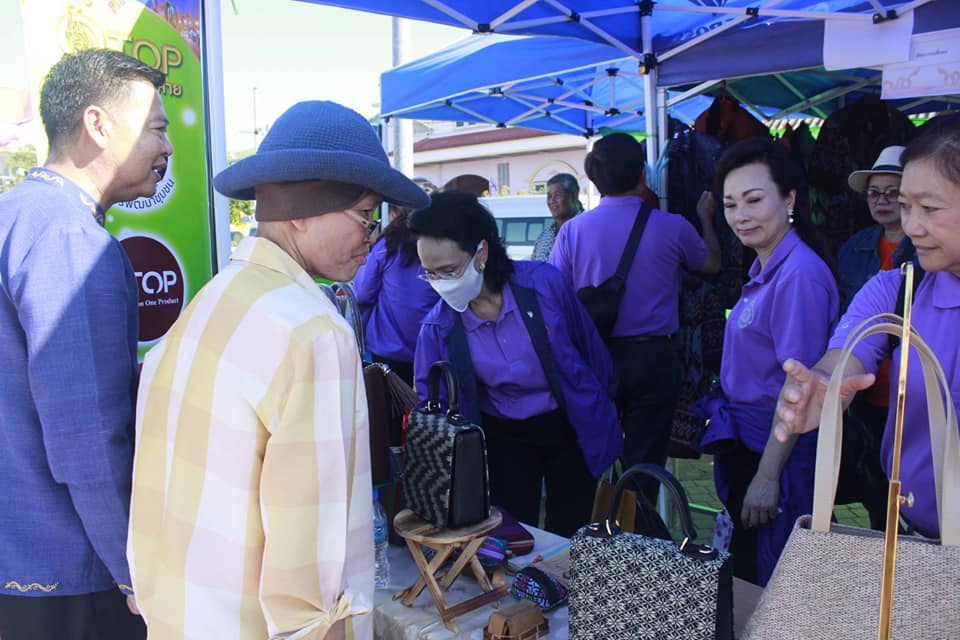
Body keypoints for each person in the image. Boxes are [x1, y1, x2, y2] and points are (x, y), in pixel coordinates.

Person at [127, 101, 429, 639]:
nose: (375, 235)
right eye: (366, 214)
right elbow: (311, 563)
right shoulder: (313, 332)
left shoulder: (207, 305)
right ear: (302, 210)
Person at [0, 48, 170, 640]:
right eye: (156, 128)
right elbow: (87, 438)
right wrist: (135, 571)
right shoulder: (70, 237)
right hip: (65, 566)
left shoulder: (16, 214)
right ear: (99, 126)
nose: (166, 149)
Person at [775, 123, 960, 542]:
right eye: (906, 206)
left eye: (929, 209)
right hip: (913, 543)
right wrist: (823, 385)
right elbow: (842, 359)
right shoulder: (896, 292)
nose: (911, 226)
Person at [411, 191, 621, 537]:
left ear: (482, 251)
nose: (441, 284)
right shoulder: (438, 326)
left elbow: (591, 353)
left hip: (567, 423)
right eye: (430, 274)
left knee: (574, 529)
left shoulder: (542, 284)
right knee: (514, 533)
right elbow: (430, 399)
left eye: (449, 271)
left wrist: (602, 415)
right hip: (502, 435)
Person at [696, 138, 839, 587]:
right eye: (731, 204)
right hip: (750, 441)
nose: (740, 215)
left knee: (775, 585)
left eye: (754, 200)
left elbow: (799, 386)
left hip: (778, 453)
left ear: (790, 198)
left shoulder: (800, 275)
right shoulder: (766, 267)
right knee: (747, 577)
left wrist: (766, 475)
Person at [549, 133, 721, 504]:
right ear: (643, 175)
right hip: (653, 358)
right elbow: (710, 263)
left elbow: (555, 294)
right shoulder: (671, 225)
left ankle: (596, 533)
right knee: (644, 467)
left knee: (592, 456)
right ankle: (637, 539)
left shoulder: (572, 231)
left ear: (595, 181)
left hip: (593, 357)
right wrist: (707, 219)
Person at [838, 145, 913, 529]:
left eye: (891, 191)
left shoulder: (927, 251)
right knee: (875, 495)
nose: (881, 200)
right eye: (874, 192)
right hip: (868, 395)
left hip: (911, 397)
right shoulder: (854, 248)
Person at [354, 205, 439, 384]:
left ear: (393, 214)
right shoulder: (437, 243)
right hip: (431, 345)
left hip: (387, 347)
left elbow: (362, 292)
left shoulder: (387, 246)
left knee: (390, 406)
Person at [531, 173, 583, 260]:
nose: (551, 201)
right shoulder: (544, 236)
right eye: (549, 196)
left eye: (557, 195)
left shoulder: (584, 231)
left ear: (574, 195)